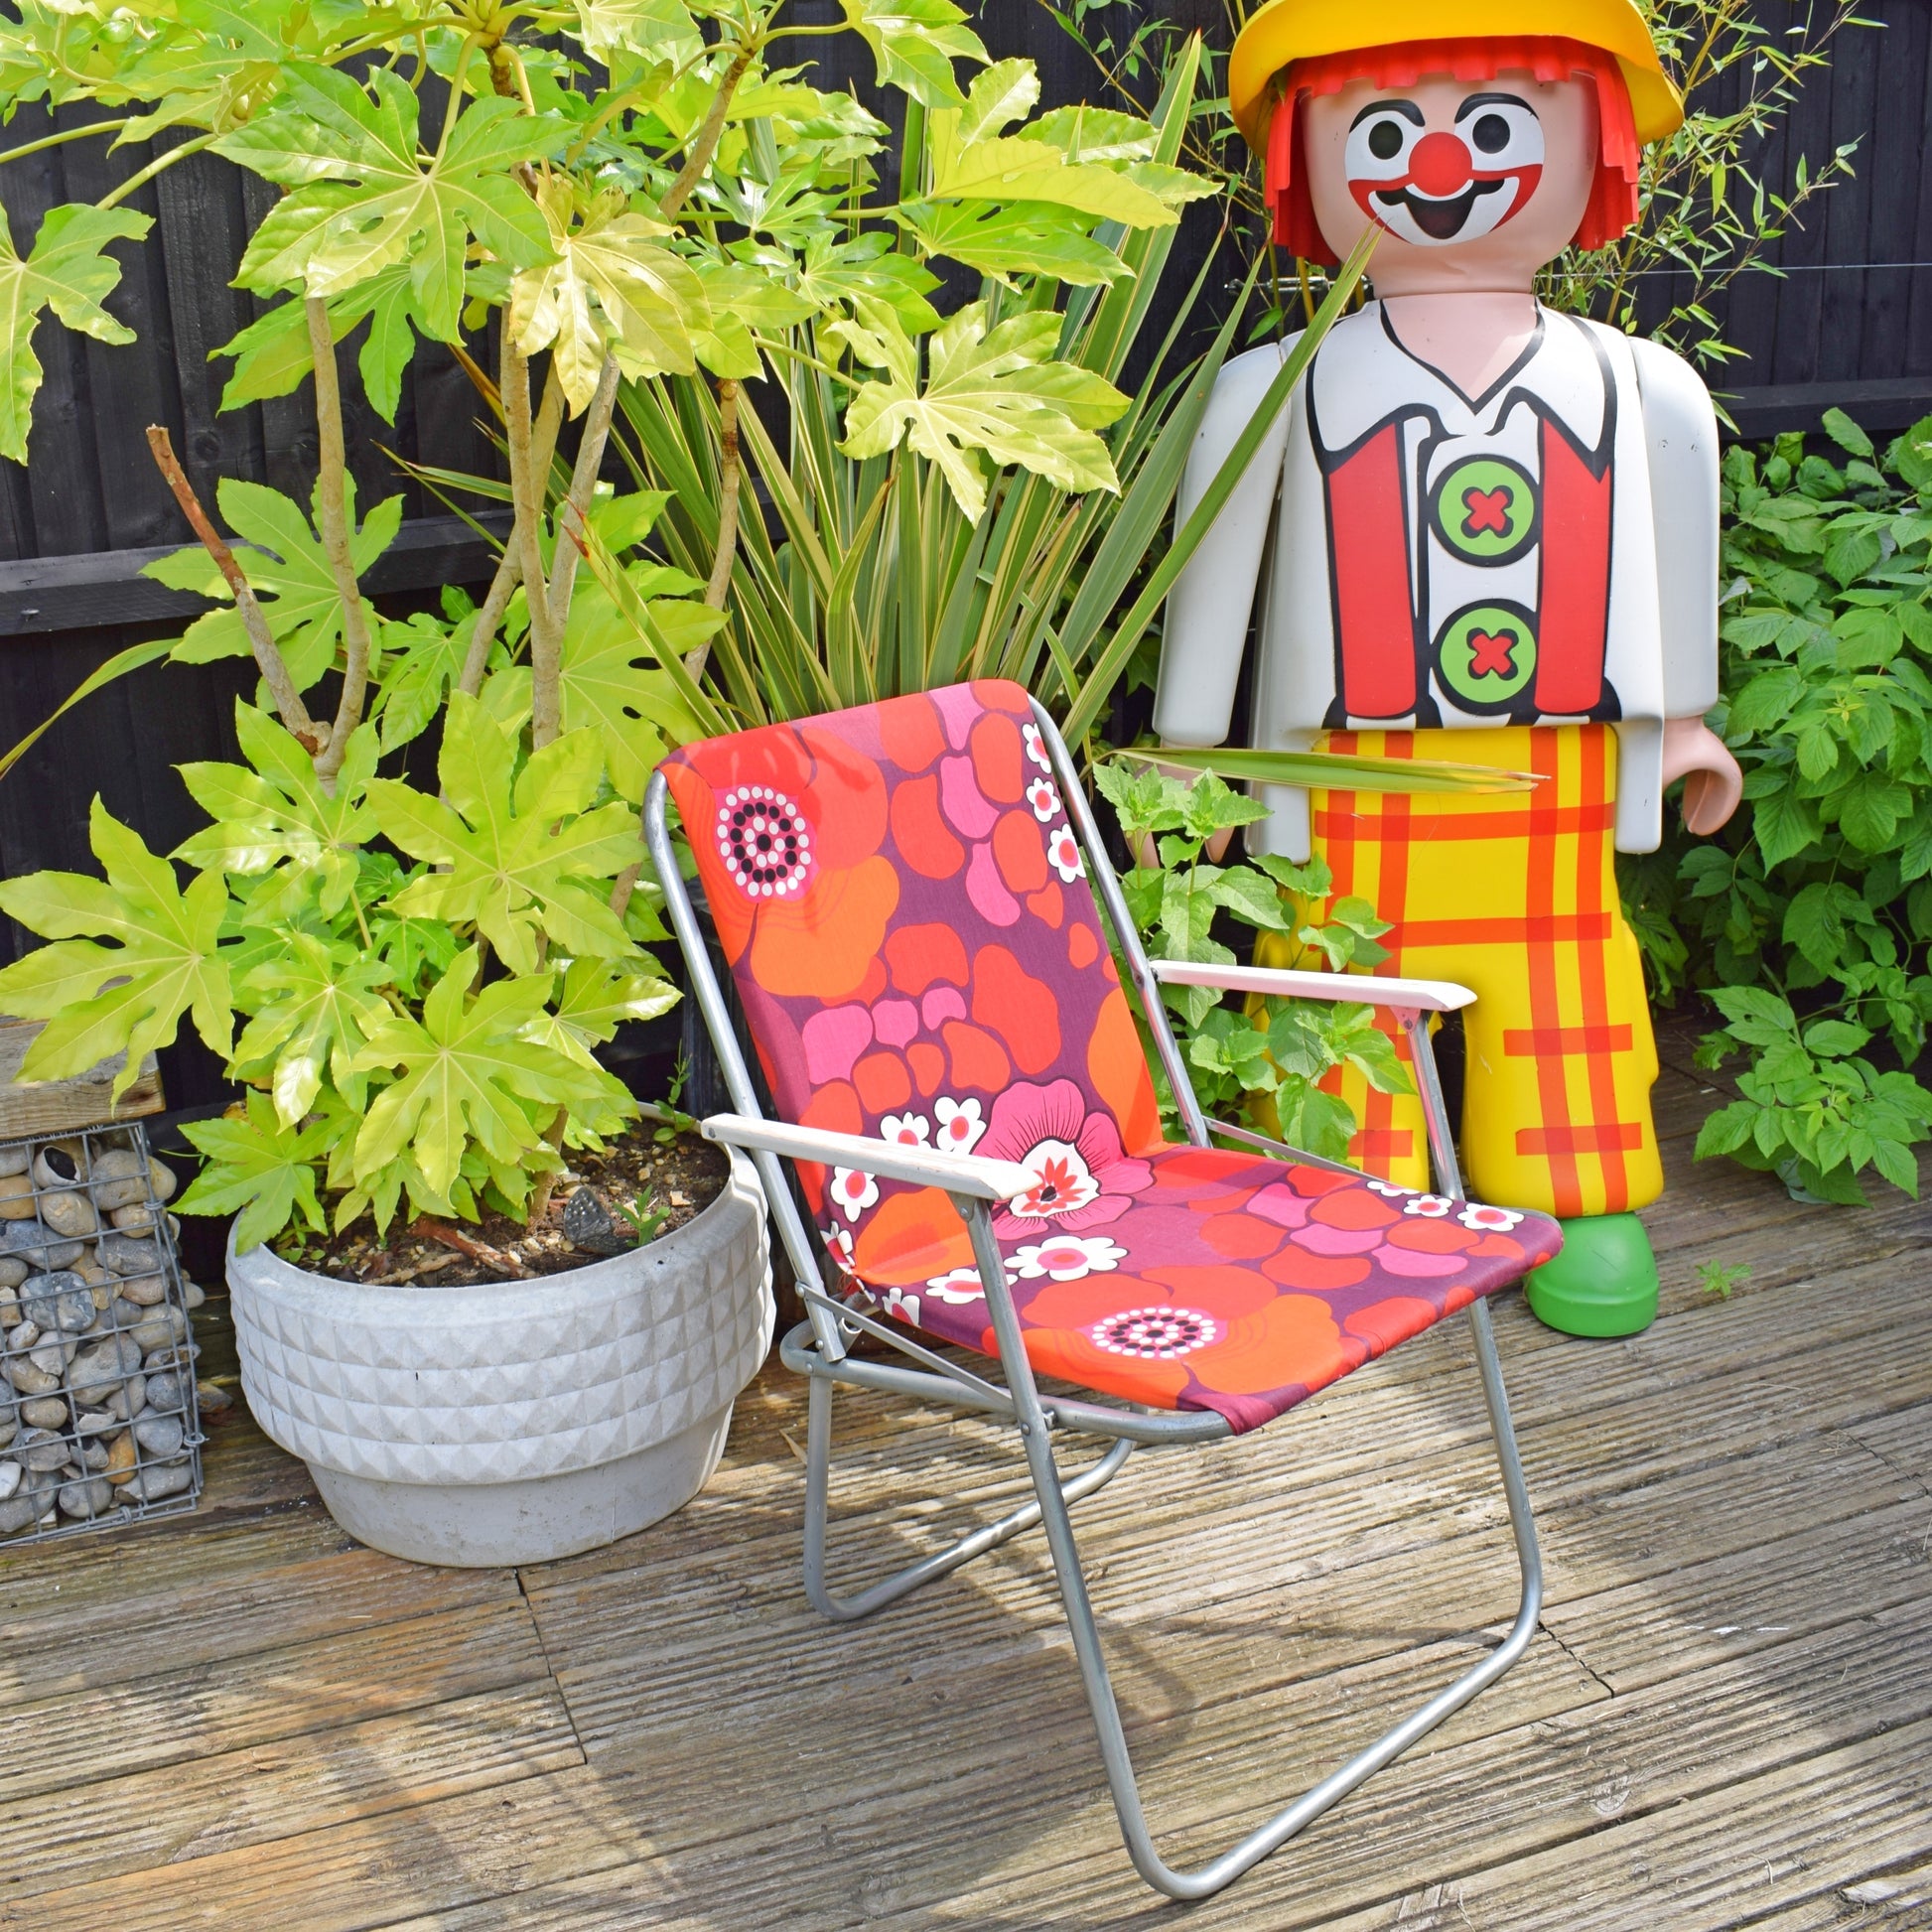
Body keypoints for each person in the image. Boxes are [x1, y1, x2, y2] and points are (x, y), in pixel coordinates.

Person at [1155, 0, 1743, 1336]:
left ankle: (1573, 1198)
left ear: (1595, 143)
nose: (1435, 166)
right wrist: (1190, 757)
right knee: (1338, 982)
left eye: (1491, 126)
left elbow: (1674, 558)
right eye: (1382, 132)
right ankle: (1355, 1207)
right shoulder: (1275, 385)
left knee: (1564, 972)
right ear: (1303, 162)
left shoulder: (1640, 385)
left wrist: (1683, 722)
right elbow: (1212, 574)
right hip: (1340, 766)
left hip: (1556, 763)